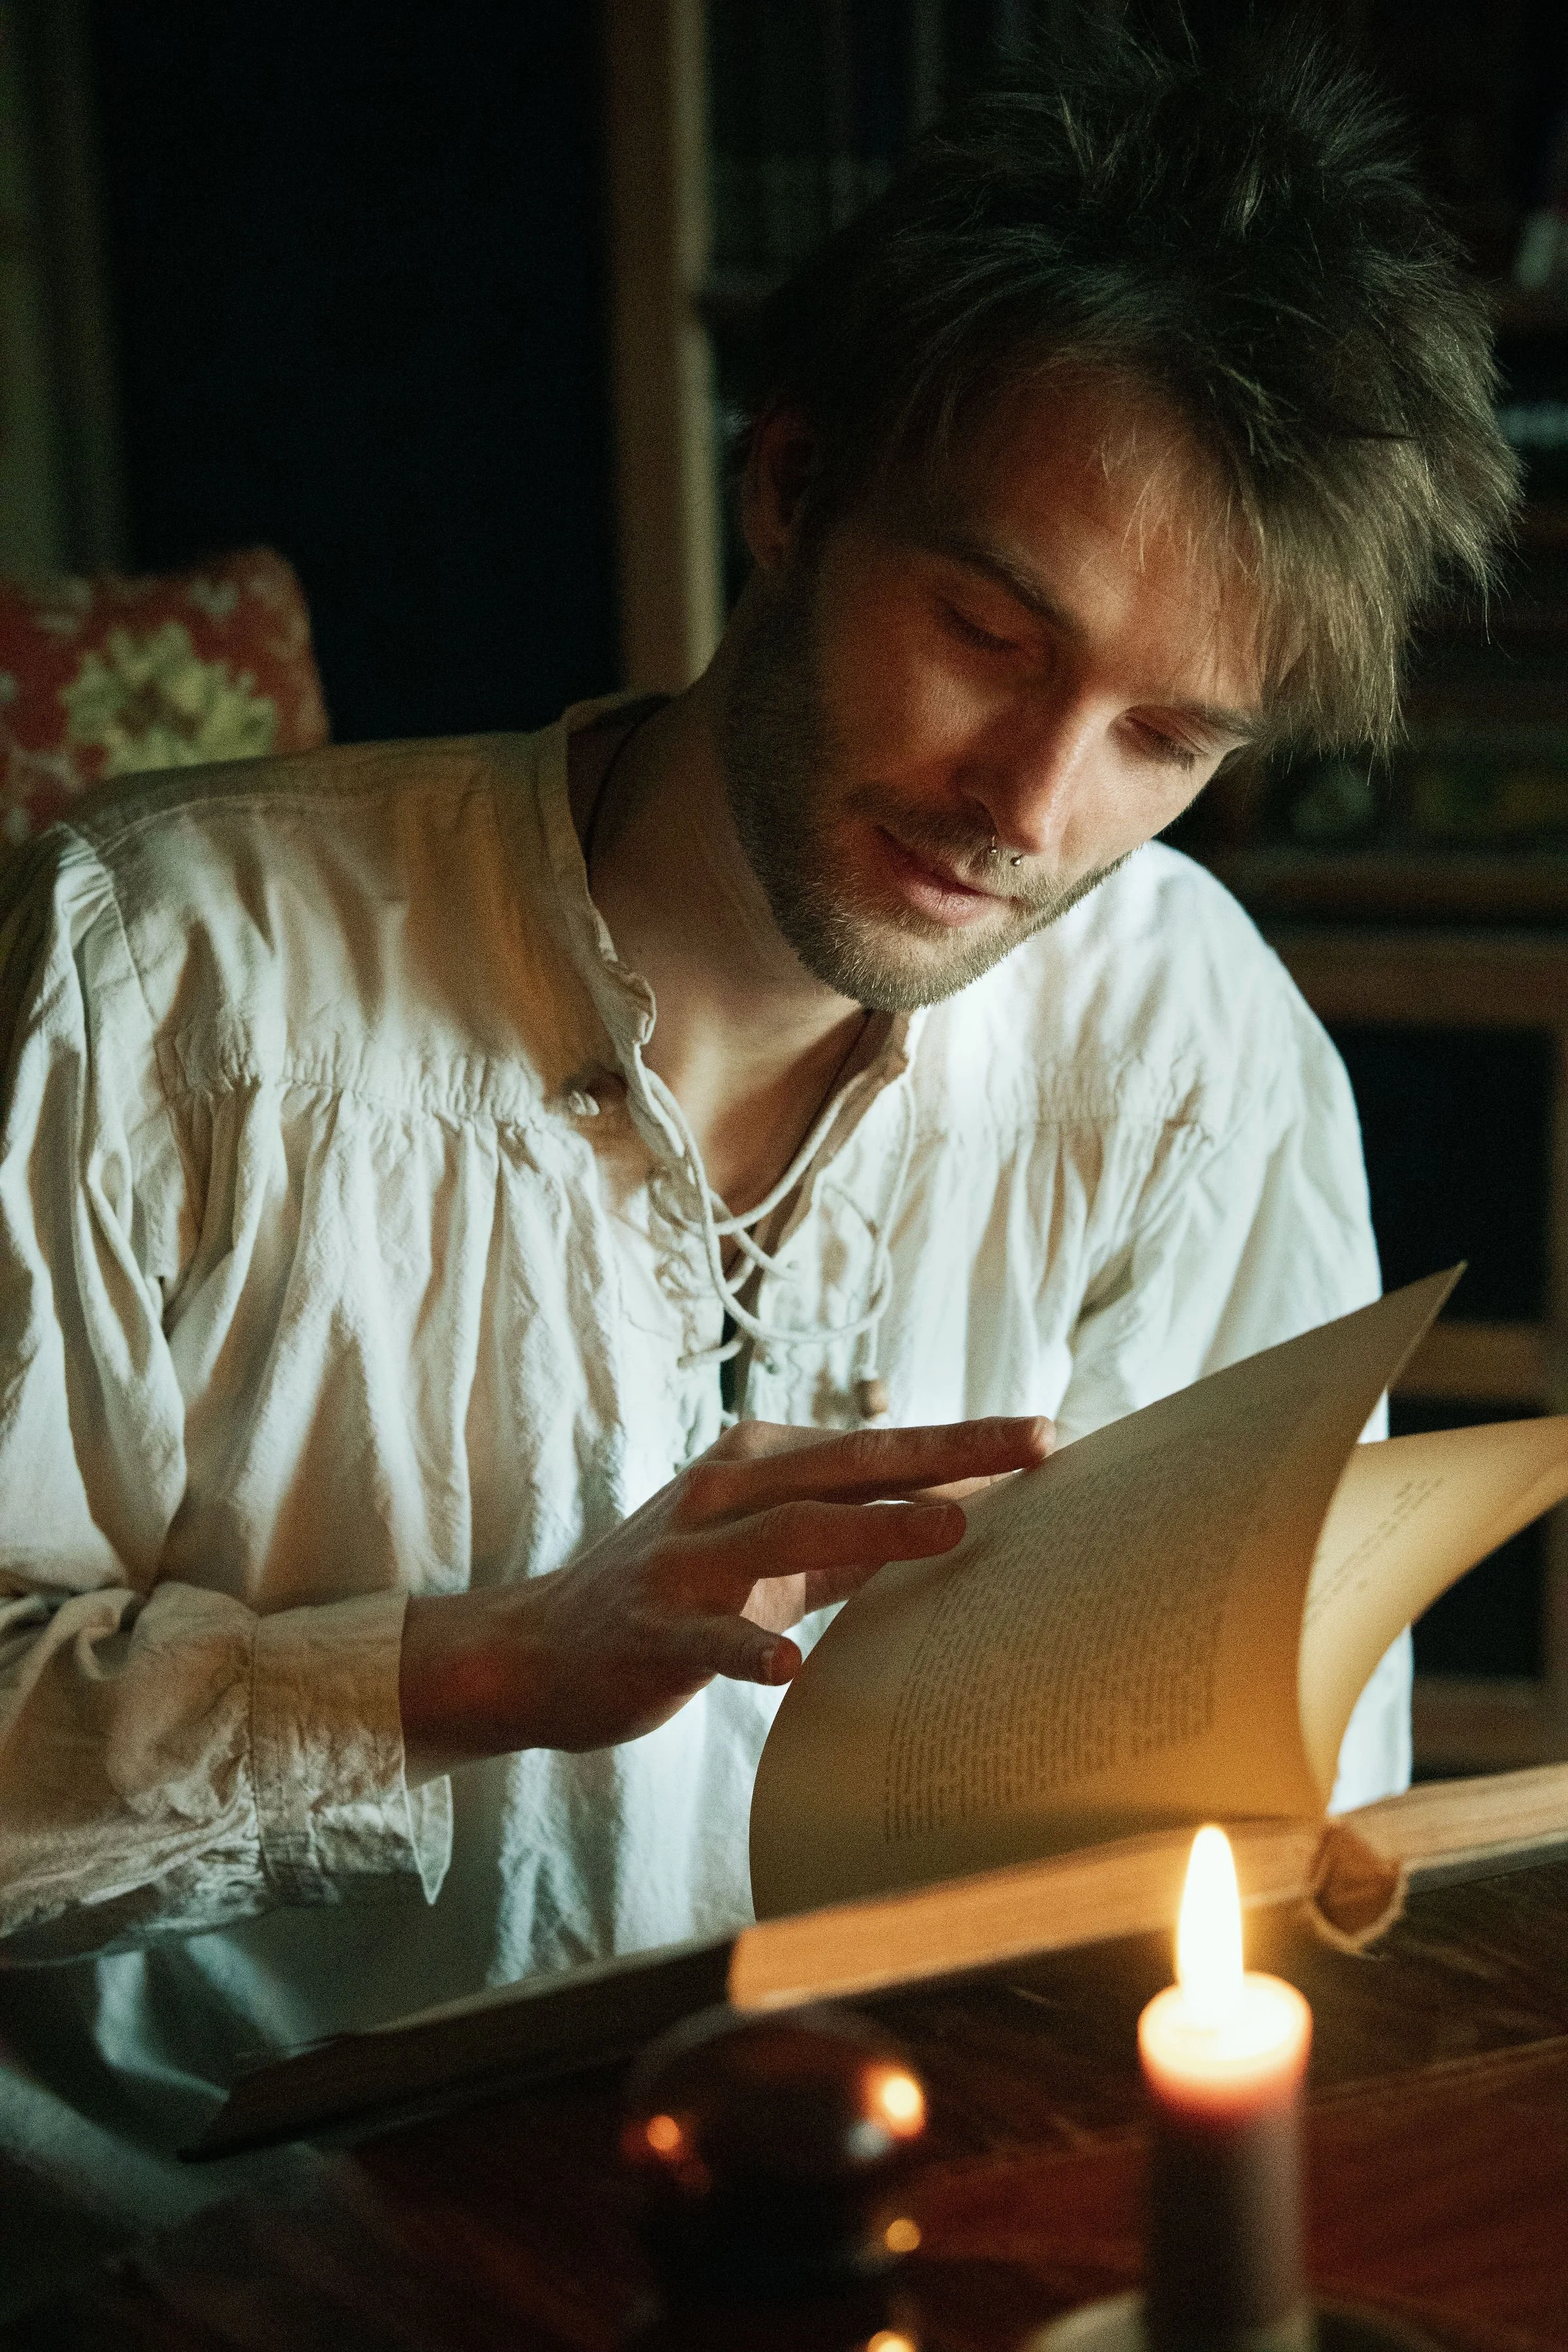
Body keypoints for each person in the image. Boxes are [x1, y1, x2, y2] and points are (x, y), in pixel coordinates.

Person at [0, 22, 1516, 2281]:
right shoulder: (163, 981)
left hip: (895, 2225)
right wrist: (466, 1667)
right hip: (216, 2269)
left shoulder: (1192, 1039)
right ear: (791, 489)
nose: (1034, 806)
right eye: (988, 634)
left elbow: (1249, 1824)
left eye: (1167, 740)